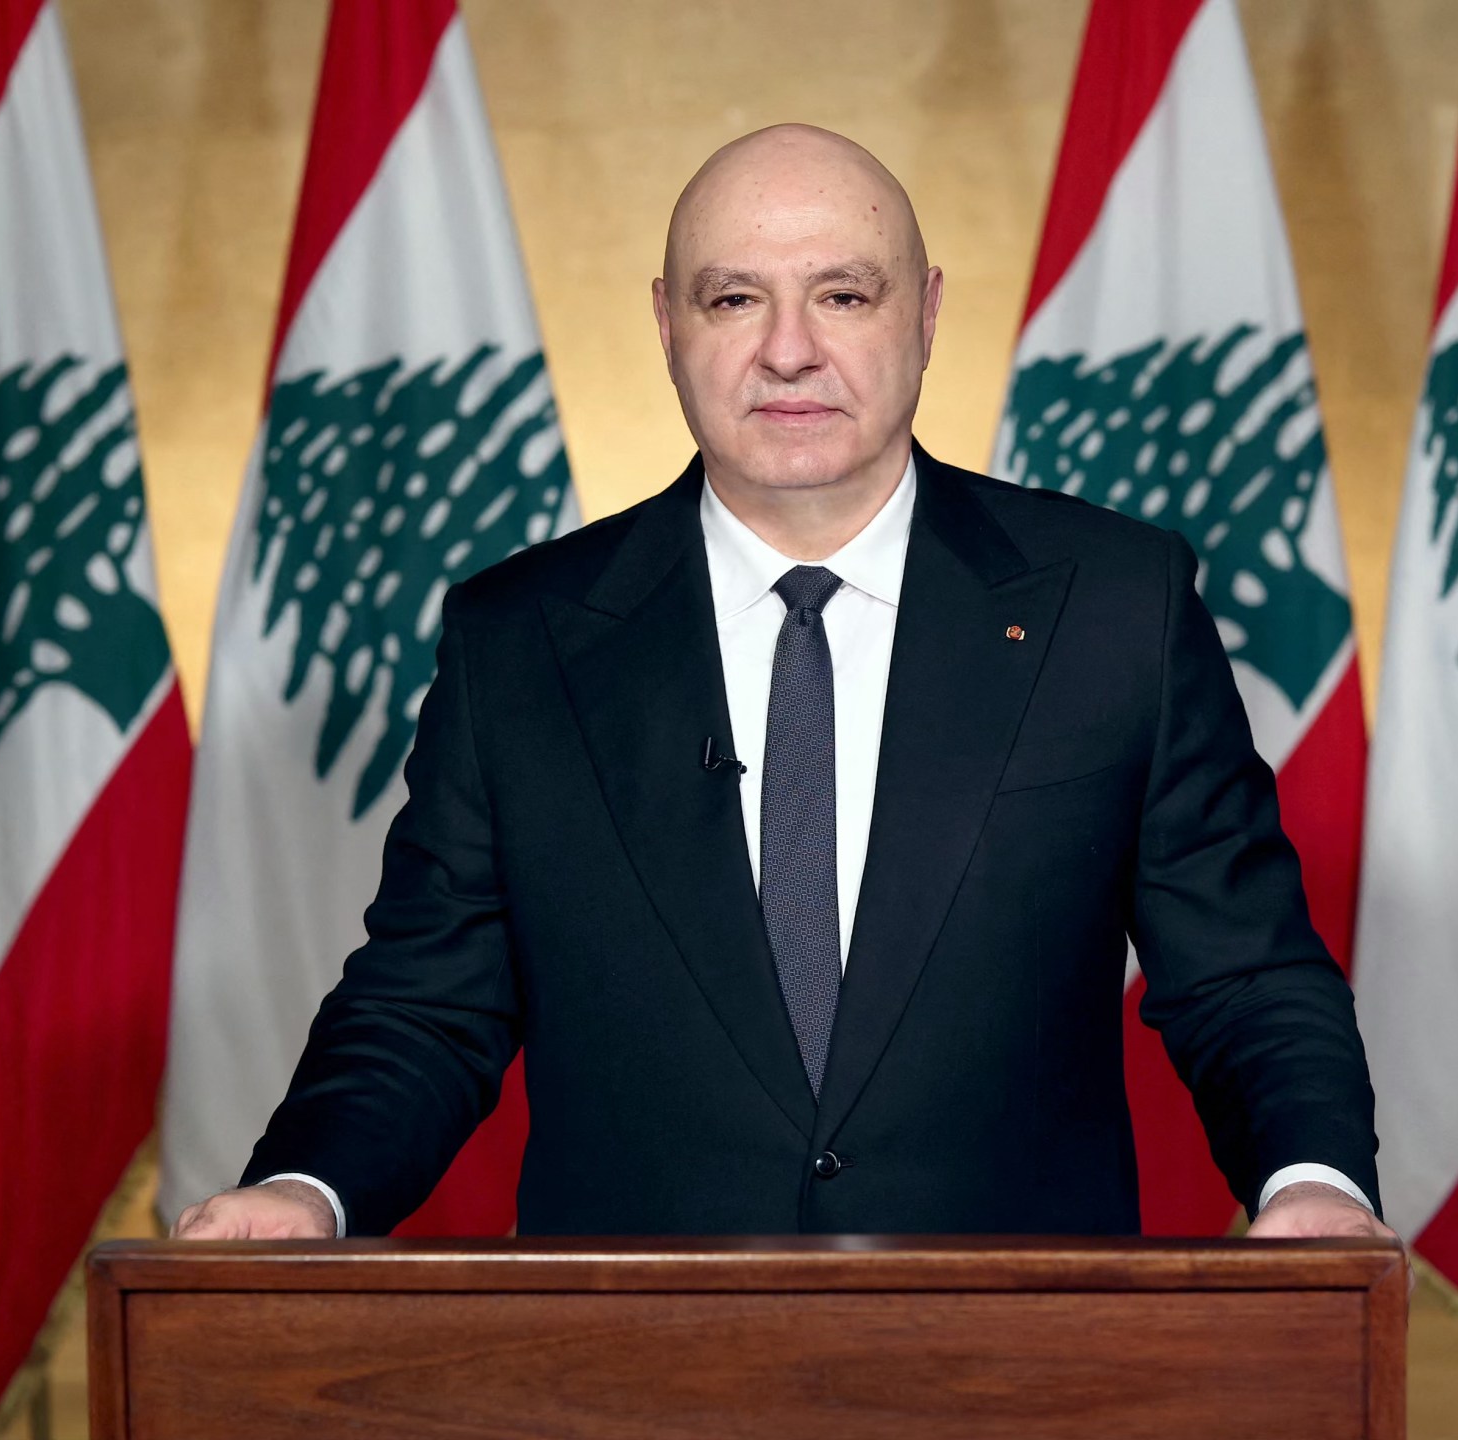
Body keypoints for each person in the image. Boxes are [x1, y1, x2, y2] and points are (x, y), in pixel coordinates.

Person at [175, 125, 1392, 1245]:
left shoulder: (1115, 607)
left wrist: (1313, 1184)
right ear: (667, 325)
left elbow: (1242, 975)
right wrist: (304, 1188)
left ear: (926, 315)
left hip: (1015, 1354)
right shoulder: (520, 642)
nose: (790, 350)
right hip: (636, 1355)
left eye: (844, 295)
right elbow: (425, 1006)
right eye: (735, 298)